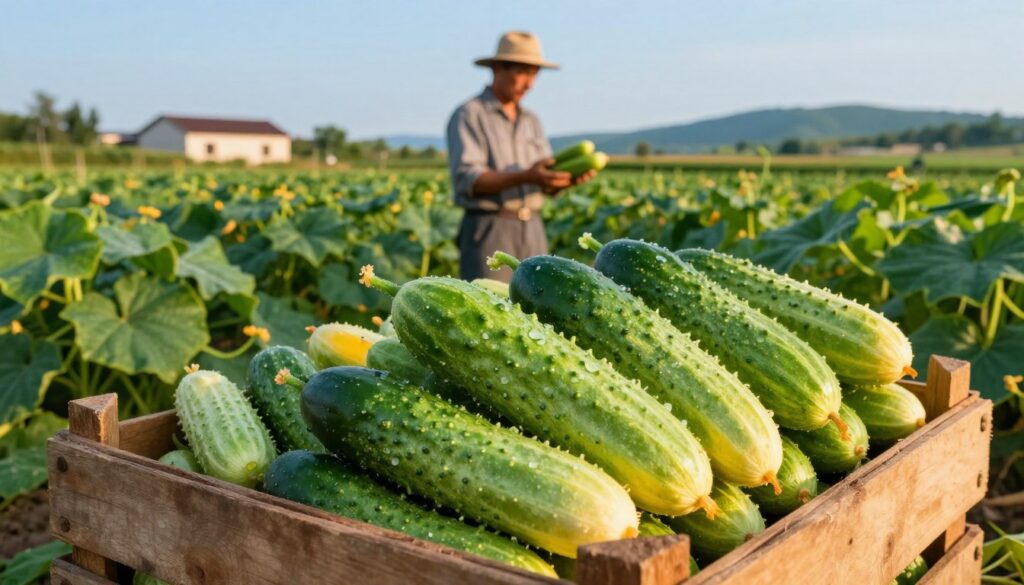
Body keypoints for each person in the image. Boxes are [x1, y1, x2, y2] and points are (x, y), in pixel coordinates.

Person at [446, 31, 596, 282]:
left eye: (534, 74)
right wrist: (527, 176)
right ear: (497, 68)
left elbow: (543, 178)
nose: (530, 84)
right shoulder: (469, 115)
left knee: (536, 312)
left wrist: (563, 181)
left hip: (533, 229)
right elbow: (468, 179)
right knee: (491, 309)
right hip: (490, 229)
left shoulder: (532, 121)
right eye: (522, 73)